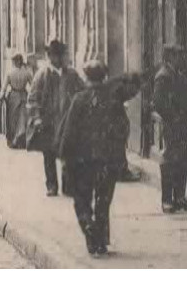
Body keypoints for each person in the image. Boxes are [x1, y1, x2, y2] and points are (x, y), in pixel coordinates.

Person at [57, 60, 135, 258]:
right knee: (103, 200)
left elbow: (69, 131)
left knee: (82, 199)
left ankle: (89, 227)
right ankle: (101, 242)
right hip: (108, 160)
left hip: (84, 161)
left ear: (86, 77)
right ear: (104, 77)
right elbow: (124, 128)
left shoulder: (79, 99)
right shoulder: (113, 101)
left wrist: (65, 156)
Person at [25, 40, 84, 197]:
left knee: (68, 154)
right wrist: (37, 118)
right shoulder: (42, 76)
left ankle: (68, 185)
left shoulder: (72, 74)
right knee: (49, 155)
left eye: (59, 55)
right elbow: (32, 100)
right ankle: (52, 185)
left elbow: (83, 92)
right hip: (48, 123)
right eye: (53, 56)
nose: (56, 59)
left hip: (66, 122)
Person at [152, 45, 187, 213]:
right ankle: (167, 200)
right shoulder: (163, 76)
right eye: (179, 56)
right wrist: (173, 117)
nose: (182, 59)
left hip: (185, 126)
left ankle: (180, 198)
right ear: (170, 58)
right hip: (173, 126)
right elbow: (158, 102)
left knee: (182, 160)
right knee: (170, 160)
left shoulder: (177, 75)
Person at [1, 53, 34, 150]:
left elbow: (4, 87)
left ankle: (14, 141)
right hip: (24, 95)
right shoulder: (27, 72)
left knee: (13, 120)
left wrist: (1, 96)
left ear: (16, 61)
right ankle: (21, 140)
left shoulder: (10, 73)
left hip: (13, 97)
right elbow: (33, 86)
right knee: (23, 119)